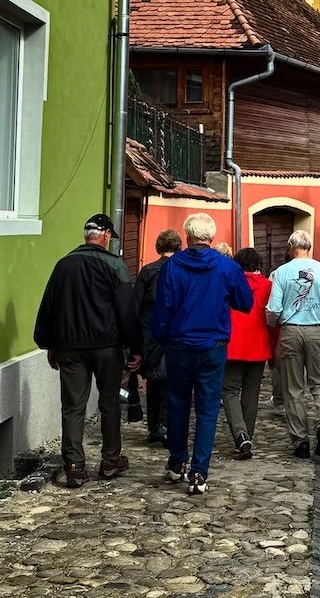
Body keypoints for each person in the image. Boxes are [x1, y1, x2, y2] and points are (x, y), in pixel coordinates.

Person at [33, 214, 142, 488]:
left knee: (72, 407)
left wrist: (49, 344)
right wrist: (136, 347)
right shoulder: (115, 266)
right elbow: (126, 311)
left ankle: (74, 467)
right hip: (107, 346)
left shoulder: (63, 265)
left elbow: (49, 306)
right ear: (105, 235)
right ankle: (109, 460)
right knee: (109, 402)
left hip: (70, 347)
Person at [152, 212, 253, 495]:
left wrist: (161, 339)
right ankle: (199, 472)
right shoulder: (226, 267)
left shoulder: (172, 267)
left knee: (178, 405)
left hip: (179, 346)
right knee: (208, 409)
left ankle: (177, 462)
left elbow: (163, 309)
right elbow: (245, 302)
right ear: (211, 237)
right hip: (213, 347)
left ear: (187, 236)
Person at [266, 230, 320, 459]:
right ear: (309, 247)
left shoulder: (281, 272)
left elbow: (273, 309)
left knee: (293, 388)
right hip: (317, 331)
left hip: (290, 331)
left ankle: (300, 439)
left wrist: (271, 323)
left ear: (290, 248)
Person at [223, 247, 274, 459]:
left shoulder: (229, 282)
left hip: (233, 344)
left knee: (229, 390)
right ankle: (247, 436)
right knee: (251, 392)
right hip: (258, 345)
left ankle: (240, 434)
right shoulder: (268, 286)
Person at [133, 228, 182, 444]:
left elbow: (136, 305)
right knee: (173, 382)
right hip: (175, 333)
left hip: (150, 333)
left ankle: (154, 425)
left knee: (154, 380)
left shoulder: (148, 271)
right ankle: (166, 424)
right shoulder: (182, 270)